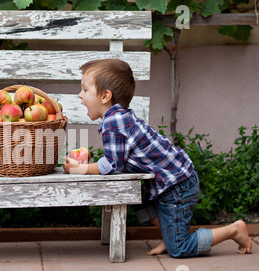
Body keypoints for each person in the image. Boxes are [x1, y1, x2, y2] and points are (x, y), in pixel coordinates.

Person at [63, 58, 252, 258]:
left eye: (84, 89)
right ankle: (169, 235)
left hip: (177, 186)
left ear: (105, 96)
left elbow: (112, 166)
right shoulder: (119, 117)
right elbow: (115, 160)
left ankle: (233, 230)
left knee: (179, 249)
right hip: (171, 183)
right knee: (137, 198)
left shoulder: (114, 122)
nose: (80, 95)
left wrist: (79, 169)